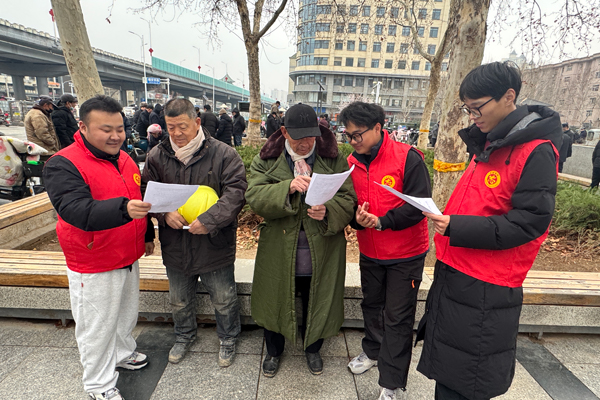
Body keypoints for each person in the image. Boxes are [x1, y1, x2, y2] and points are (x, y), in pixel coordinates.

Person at [416, 62, 562, 400]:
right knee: (449, 371)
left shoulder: (535, 150)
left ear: (508, 97)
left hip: (488, 283)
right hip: (457, 269)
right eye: (467, 109)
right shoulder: (491, 143)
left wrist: (457, 226)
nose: (472, 117)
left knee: (469, 378)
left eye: (477, 108)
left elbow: (529, 222)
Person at [43, 95, 155, 400]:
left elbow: (138, 198)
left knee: (125, 314)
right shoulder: (63, 163)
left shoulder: (124, 158)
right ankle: (99, 384)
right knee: (97, 326)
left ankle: (123, 352)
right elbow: (75, 209)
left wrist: (147, 234)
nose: (116, 136)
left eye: (120, 129)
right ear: (83, 126)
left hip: (127, 253)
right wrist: (123, 209)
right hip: (93, 259)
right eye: (106, 129)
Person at [246, 103, 355, 378]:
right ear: (284, 132)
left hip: (322, 246)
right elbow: (254, 196)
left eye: (311, 137)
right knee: (274, 297)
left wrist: (328, 210)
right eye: (298, 138)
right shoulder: (267, 158)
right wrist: (287, 187)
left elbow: (348, 198)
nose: (305, 144)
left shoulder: (333, 159)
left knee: (317, 297)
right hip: (280, 247)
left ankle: (313, 348)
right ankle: (273, 351)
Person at [142, 98, 247, 367]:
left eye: (183, 127)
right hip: (175, 242)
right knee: (179, 299)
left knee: (223, 298)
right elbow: (147, 192)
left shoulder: (224, 154)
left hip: (214, 241)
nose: (177, 133)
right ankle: (184, 335)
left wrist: (210, 220)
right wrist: (164, 214)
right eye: (171, 127)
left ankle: (228, 337)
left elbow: (236, 193)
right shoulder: (156, 156)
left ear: (197, 122)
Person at [340, 102, 431, 400]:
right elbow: (351, 205)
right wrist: (358, 219)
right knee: (372, 305)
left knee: (398, 317)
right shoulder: (351, 162)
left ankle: (391, 383)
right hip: (371, 251)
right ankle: (373, 351)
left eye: (358, 134)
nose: (353, 141)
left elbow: (419, 207)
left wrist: (382, 221)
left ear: (378, 128)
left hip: (406, 254)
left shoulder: (408, 158)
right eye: (348, 135)